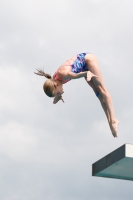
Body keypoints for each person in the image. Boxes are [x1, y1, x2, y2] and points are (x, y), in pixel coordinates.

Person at [34, 53, 119, 138]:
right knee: (98, 93)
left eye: (57, 93)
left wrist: (86, 73)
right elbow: (58, 89)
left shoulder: (63, 74)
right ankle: (110, 124)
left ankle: (113, 119)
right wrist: (58, 97)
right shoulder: (55, 80)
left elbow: (74, 75)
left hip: (88, 60)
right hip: (84, 68)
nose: (59, 93)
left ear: (56, 85)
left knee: (102, 89)